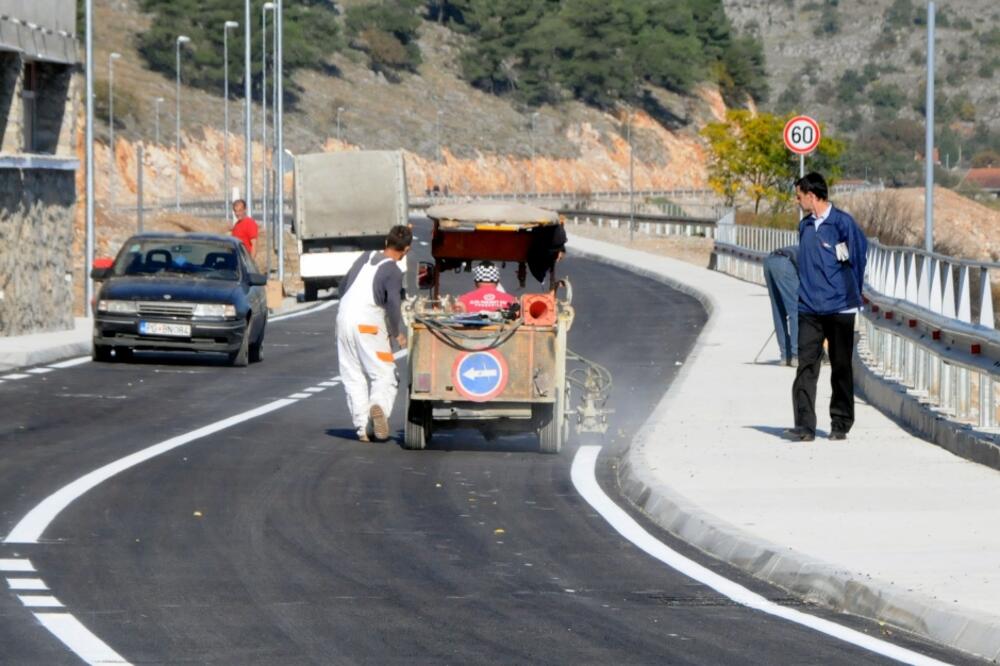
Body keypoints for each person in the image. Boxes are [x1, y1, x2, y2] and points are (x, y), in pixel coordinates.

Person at [784, 172, 868, 442]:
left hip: (840, 307)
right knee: (806, 367)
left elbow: (858, 257)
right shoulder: (805, 226)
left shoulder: (842, 223)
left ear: (811, 195)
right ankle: (804, 426)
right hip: (809, 307)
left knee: (841, 367)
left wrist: (852, 292)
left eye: (799, 196)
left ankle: (840, 423)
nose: (797, 201)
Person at [336, 225, 412, 442]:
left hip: (343, 319)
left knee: (352, 375)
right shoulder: (393, 271)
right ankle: (378, 405)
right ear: (406, 250)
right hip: (368, 323)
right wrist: (396, 332)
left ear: (386, 242)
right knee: (385, 374)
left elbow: (343, 287)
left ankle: (363, 429)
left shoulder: (365, 257)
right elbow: (393, 304)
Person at [763, 245, 799, 366]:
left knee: (778, 310)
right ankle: (796, 355)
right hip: (784, 264)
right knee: (797, 310)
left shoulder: (809, 247)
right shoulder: (818, 257)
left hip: (769, 261)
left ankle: (785, 355)